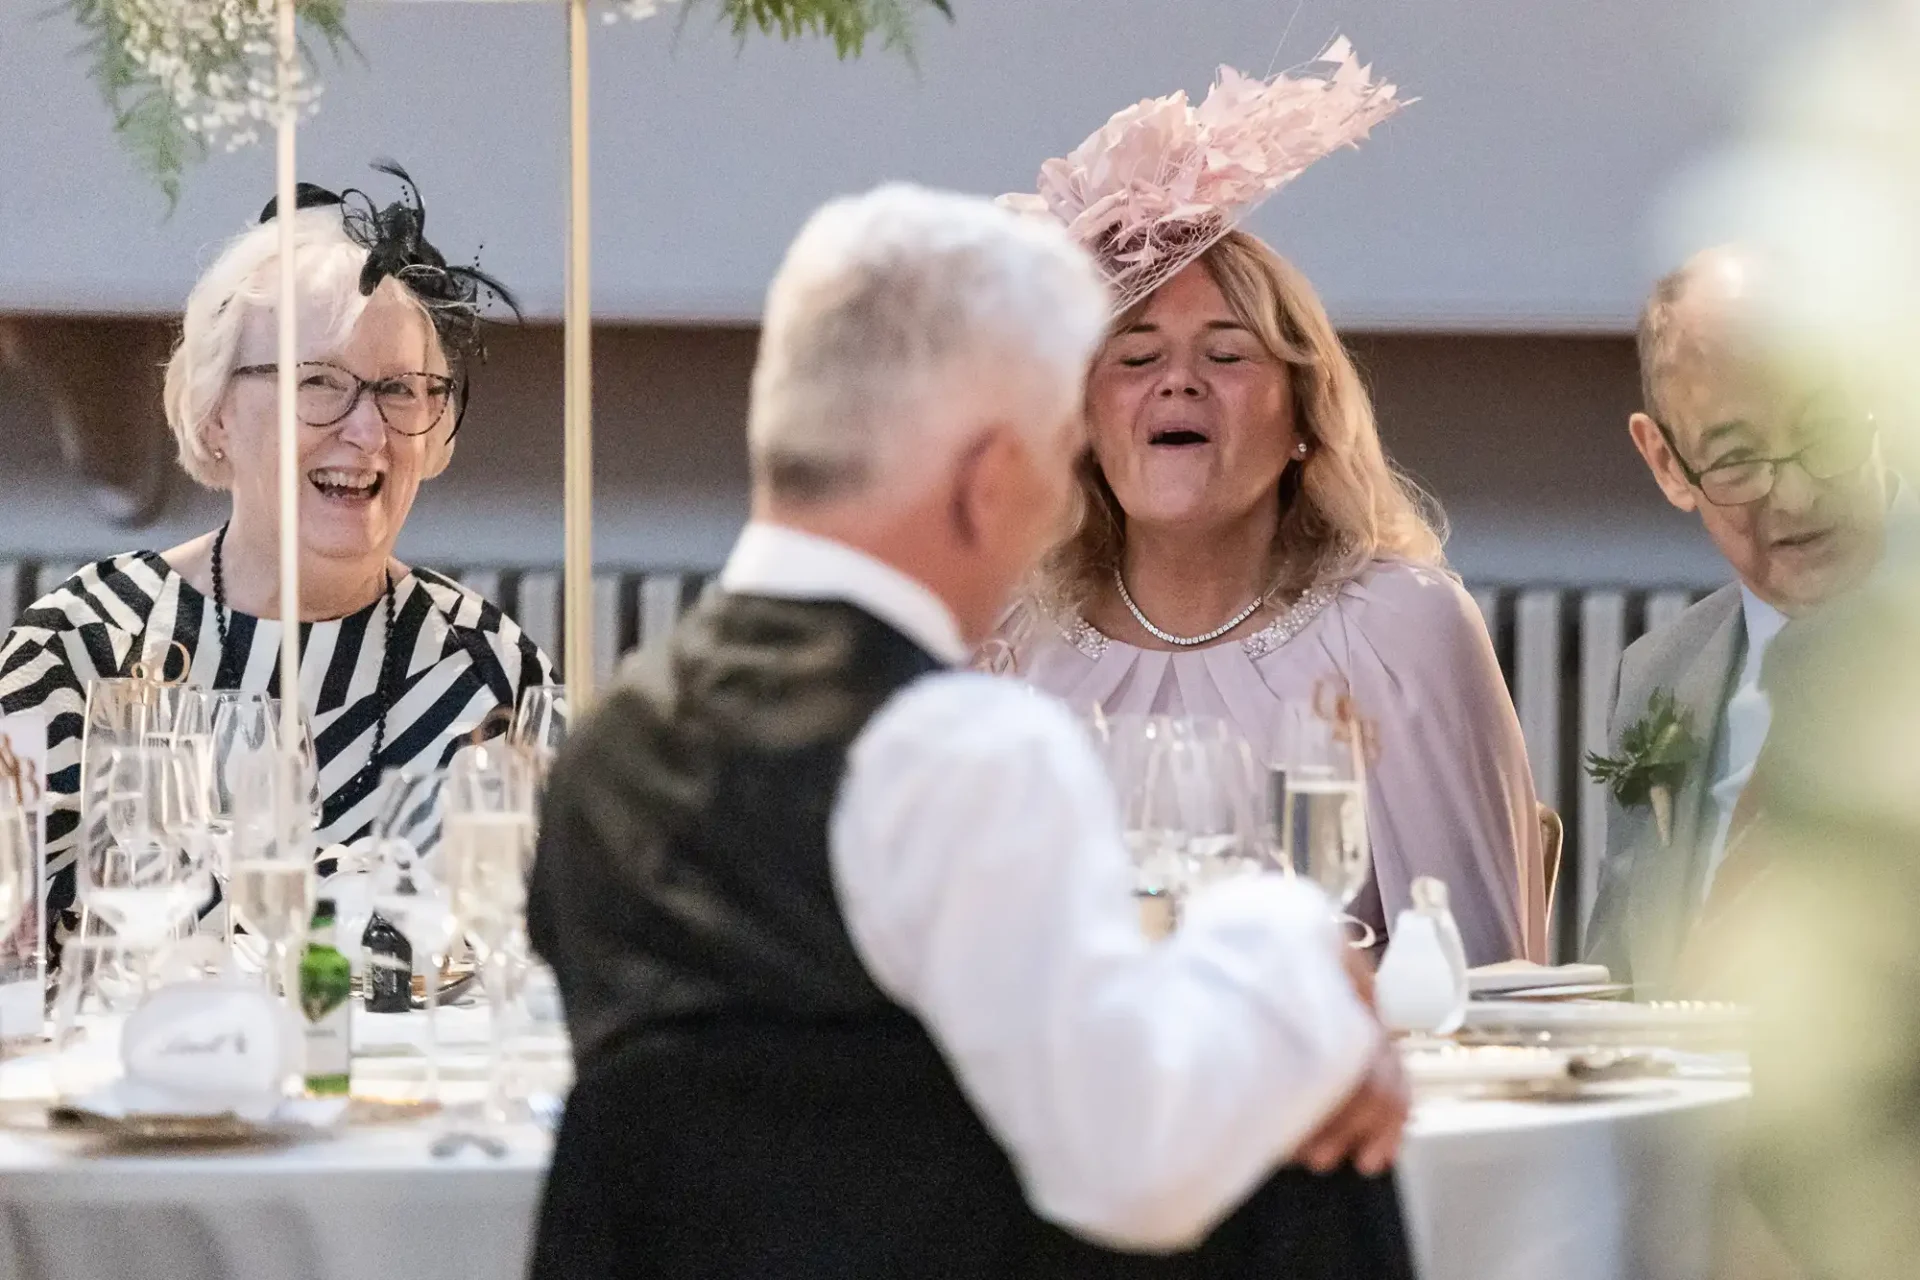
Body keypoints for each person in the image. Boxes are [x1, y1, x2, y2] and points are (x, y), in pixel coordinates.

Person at [529, 183, 1413, 1279]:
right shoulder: (963, 754)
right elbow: (1135, 1161)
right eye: (1058, 455)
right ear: (990, 480)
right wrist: (1291, 950)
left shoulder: (601, 755)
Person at [997, 50, 1546, 967]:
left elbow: (1480, 979)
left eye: (1227, 354)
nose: (1178, 381)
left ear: (1303, 419)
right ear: (1084, 422)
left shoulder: (1397, 630)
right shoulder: (1014, 641)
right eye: (1134, 359)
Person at [0, 164, 553, 951]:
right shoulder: (82, 652)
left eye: (401, 390)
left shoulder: (489, 673)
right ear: (217, 410)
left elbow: (549, 969)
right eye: (319, 383)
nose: (368, 433)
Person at [1582, 245, 1898, 995]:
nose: (1794, 497)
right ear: (1666, 464)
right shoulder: (1660, 675)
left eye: (1826, 431)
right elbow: (1622, 978)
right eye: (1736, 459)